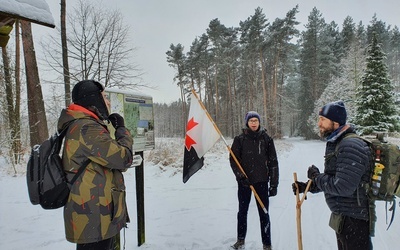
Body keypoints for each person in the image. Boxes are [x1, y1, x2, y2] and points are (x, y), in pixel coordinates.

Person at [57, 80, 134, 250]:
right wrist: (122, 130)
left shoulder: (83, 125)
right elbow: (123, 158)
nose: (108, 102)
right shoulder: (86, 128)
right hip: (94, 216)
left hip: (96, 213)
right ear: (93, 100)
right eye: (104, 97)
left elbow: (111, 161)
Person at [292, 100, 372, 250]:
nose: (319, 123)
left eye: (323, 119)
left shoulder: (350, 146)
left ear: (335, 122)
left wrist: (316, 177)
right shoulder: (337, 142)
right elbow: (336, 178)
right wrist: (309, 186)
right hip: (343, 217)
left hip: (354, 220)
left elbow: (342, 187)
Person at [229, 111, 279, 250]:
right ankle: (240, 240)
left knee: (264, 213)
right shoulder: (239, 139)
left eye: (256, 120)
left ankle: (267, 244)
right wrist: (240, 177)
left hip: (262, 182)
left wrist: (274, 184)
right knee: (242, 212)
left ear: (259, 122)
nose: (253, 123)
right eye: (251, 120)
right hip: (245, 183)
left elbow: (273, 162)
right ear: (247, 123)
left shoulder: (266, 139)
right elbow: (233, 160)